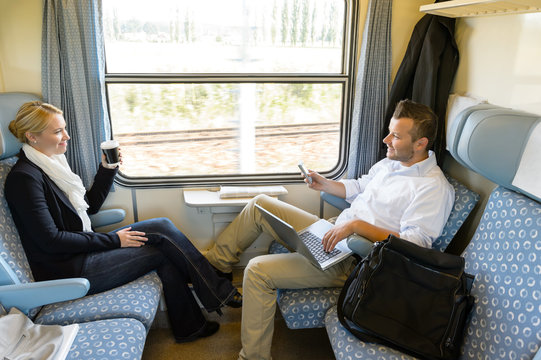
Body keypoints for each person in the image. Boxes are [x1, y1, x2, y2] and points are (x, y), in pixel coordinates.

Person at [205, 99, 455, 359]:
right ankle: (212, 268)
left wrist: (356, 226)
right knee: (259, 205)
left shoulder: (432, 187)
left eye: (396, 136)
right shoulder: (391, 163)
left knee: (257, 271)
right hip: (335, 232)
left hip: (356, 260)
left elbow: (415, 244)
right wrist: (324, 184)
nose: (386, 139)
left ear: (420, 143)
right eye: (390, 131)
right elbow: (359, 187)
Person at [5, 101, 242, 343]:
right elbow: (51, 241)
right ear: (32, 136)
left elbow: (88, 206)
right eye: (57, 132)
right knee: (162, 250)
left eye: (64, 129)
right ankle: (213, 297)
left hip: (81, 251)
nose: (66, 136)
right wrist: (114, 240)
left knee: (161, 226)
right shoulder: (24, 179)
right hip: (68, 268)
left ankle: (199, 316)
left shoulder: (52, 164)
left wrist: (108, 168)